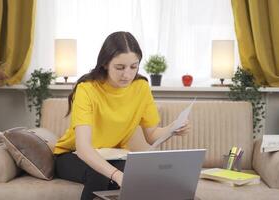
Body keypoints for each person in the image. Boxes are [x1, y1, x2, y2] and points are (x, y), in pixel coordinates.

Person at [53, 31, 190, 200]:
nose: (127, 75)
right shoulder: (87, 89)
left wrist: (173, 128)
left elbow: (152, 136)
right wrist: (116, 175)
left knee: (139, 174)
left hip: (111, 154)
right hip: (71, 155)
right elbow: (83, 148)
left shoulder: (141, 87)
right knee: (101, 175)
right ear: (105, 63)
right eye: (120, 68)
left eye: (134, 67)